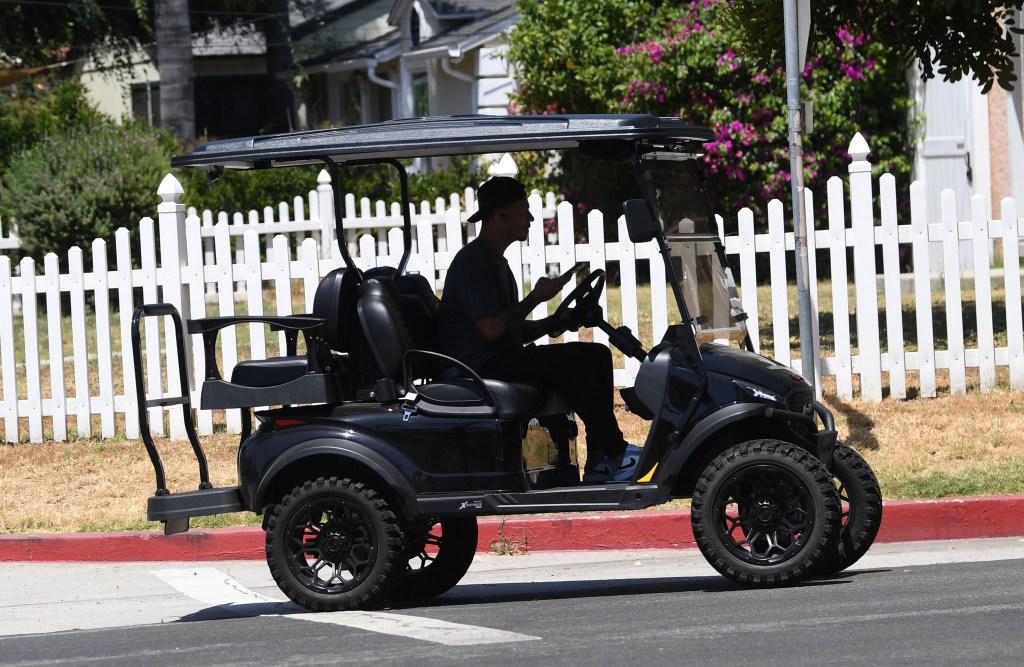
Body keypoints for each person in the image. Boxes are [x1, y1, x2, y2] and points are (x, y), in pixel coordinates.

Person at [438, 176, 639, 483]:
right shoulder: (474, 264)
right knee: (570, 363)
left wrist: (559, 321)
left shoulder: (495, 263)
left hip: (497, 358)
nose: (531, 218)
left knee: (596, 353)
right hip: (477, 369)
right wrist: (536, 297)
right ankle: (617, 451)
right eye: (523, 210)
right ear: (501, 216)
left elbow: (510, 328)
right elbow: (492, 331)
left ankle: (600, 459)